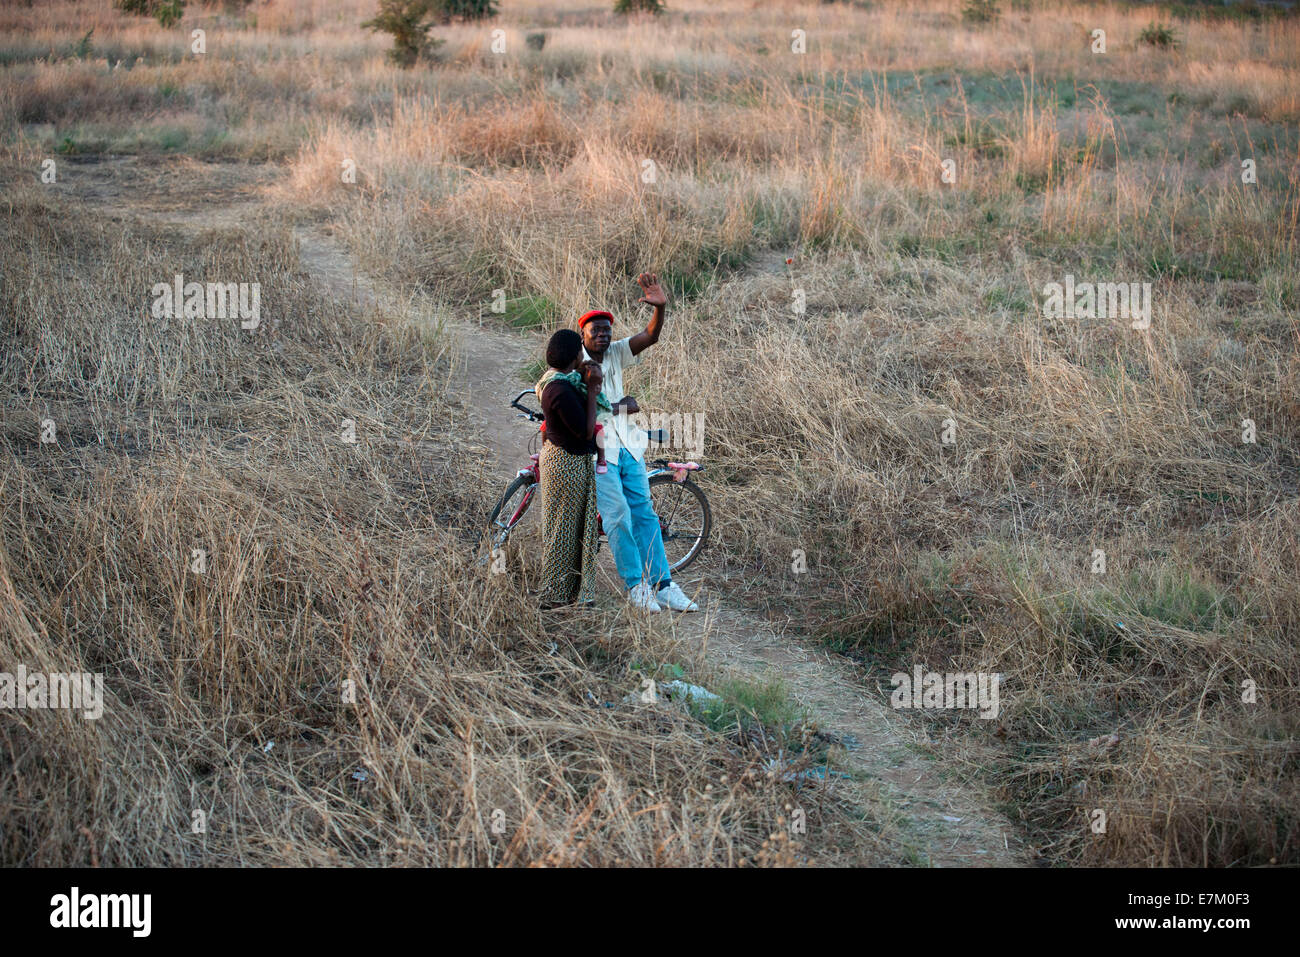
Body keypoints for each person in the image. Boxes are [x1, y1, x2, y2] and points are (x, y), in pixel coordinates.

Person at [578, 273, 700, 613]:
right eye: (596, 331)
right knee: (617, 517)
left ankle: (664, 585)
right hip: (599, 450)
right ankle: (636, 585)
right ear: (583, 335)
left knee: (644, 514)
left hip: (629, 445)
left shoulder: (615, 352)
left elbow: (649, 336)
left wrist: (660, 309)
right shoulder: (575, 363)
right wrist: (619, 407)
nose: (603, 335)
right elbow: (573, 406)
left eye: (607, 330)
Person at [532, 329, 603, 609]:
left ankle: (567, 592)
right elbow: (586, 433)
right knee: (563, 532)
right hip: (567, 465)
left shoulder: (552, 380)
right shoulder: (559, 389)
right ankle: (553, 596)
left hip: (562, 460)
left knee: (567, 529)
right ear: (575, 355)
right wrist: (594, 390)